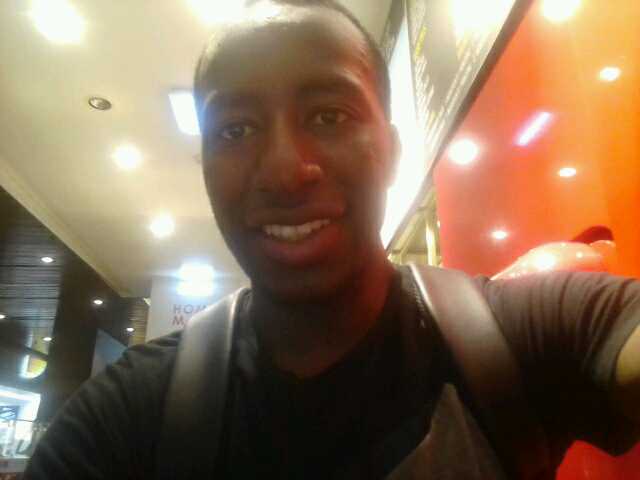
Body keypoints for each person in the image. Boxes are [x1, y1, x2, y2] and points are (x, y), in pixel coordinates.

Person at [25, 0, 640, 478]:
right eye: (235, 129)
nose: (284, 170)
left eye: (328, 115)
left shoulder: (519, 336)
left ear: (391, 151)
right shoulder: (130, 417)